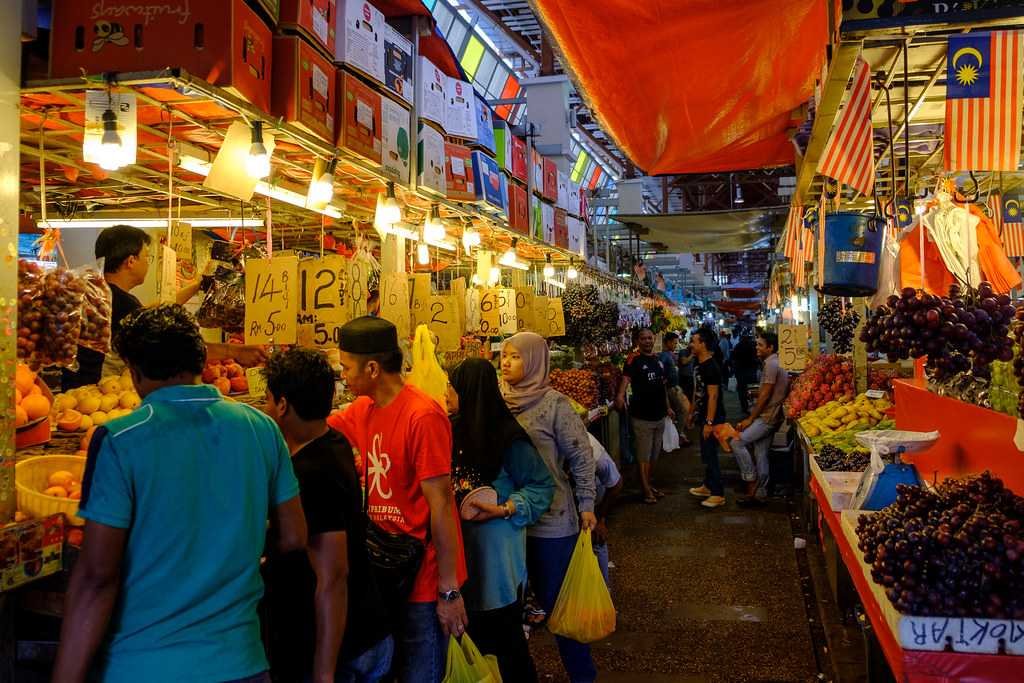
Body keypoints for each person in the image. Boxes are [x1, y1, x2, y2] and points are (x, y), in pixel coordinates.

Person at [52, 304, 307, 683]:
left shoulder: (120, 440)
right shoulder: (263, 429)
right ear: (202, 359)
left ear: (133, 372)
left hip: (143, 666)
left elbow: (96, 577)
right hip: (242, 662)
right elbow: (294, 536)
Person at [327, 317, 467, 683]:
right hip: (384, 570)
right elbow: (313, 427)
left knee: (421, 671)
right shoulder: (363, 409)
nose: (342, 376)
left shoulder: (422, 415)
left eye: (345, 367)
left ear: (372, 368)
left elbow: (441, 505)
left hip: (424, 576)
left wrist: (449, 591)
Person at [261, 348, 392, 683]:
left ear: (282, 405)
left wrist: (324, 672)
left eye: (266, 399)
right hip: (360, 631)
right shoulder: (332, 442)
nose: (264, 408)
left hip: (343, 646)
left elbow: (333, 577)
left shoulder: (313, 472)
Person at [446, 359, 555, 683]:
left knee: (505, 639)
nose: (446, 392)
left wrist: (506, 507)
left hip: (498, 557)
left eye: (452, 386)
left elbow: (542, 486)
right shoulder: (450, 429)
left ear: (469, 390)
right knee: (473, 635)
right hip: (463, 552)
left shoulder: (509, 438)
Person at [500, 332, 598, 683]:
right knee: (511, 611)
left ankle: (582, 675)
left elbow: (581, 456)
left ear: (535, 361)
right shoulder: (498, 400)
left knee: (560, 607)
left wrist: (586, 502)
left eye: (515, 356)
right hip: (507, 520)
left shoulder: (554, 404)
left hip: (552, 521)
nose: (506, 362)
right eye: (504, 355)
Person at [62, 225, 261, 390]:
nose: (148, 264)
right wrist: (234, 351)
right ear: (131, 261)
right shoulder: (122, 303)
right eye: (146, 257)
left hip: (76, 395)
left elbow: (151, 312)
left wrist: (198, 284)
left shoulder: (97, 294)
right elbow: (170, 348)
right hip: (101, 396)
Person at [732, 331, 790, 506]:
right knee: (760, 452)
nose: (756, 348)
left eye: (760, 345)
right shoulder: (775, 362)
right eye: (756, 344)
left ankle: (751, 480)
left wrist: (750, 418)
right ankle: (760, 494)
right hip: (773, 415)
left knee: (737, 442)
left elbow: (765, 394)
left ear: (770, 347)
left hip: (767, 417)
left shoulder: (771, 364)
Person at [616, 328, 673, 504]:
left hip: (659, 415)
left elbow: (662, 386)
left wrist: (668, 407)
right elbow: (626, 380)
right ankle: (646, 490)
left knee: (654, 456)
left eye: (650, 338)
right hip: (642, 416)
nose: (647, 341)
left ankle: (648, 484)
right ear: (638, 341)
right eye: (644, 339)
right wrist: (619, 396)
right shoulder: (633, 360)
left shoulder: (657, 361)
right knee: (643, 456)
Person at [688, 327, 728, 509]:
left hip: (713, 417)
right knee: (705, 452)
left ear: (702, 343)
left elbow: (713, 396)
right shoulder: (698, 364)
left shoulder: (711, 367)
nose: (691, 344)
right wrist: (691, 412)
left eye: (694, 341)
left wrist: (709, 423)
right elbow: (697, 391)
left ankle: (718, 493)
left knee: (711, 454)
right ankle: (707, 485)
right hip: (702, 415)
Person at [589, 432, 622, 586]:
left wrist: (601, 518)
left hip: (595, 489)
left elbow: (615, 484)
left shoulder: (594, 454)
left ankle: (603, 588)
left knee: (597, 538)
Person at [660, 331, 691, 447]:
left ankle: (677, 435)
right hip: (670, 388)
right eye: (674, 343)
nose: (675, 345)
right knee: (682, 411)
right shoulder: (664, 356)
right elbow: (661, 372)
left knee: (681, 410)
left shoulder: (669, 354)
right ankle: (678, 435)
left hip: (674, 387)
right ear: (667, 342)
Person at [731, 332, 760, 415]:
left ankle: (744, 406)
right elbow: (757, 358)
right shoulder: (753, 346)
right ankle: (752, 406)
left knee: (742, 390)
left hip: (741, 372)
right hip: (751, 371)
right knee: (752, 389)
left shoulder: (738, 346)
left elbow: (733, 358)